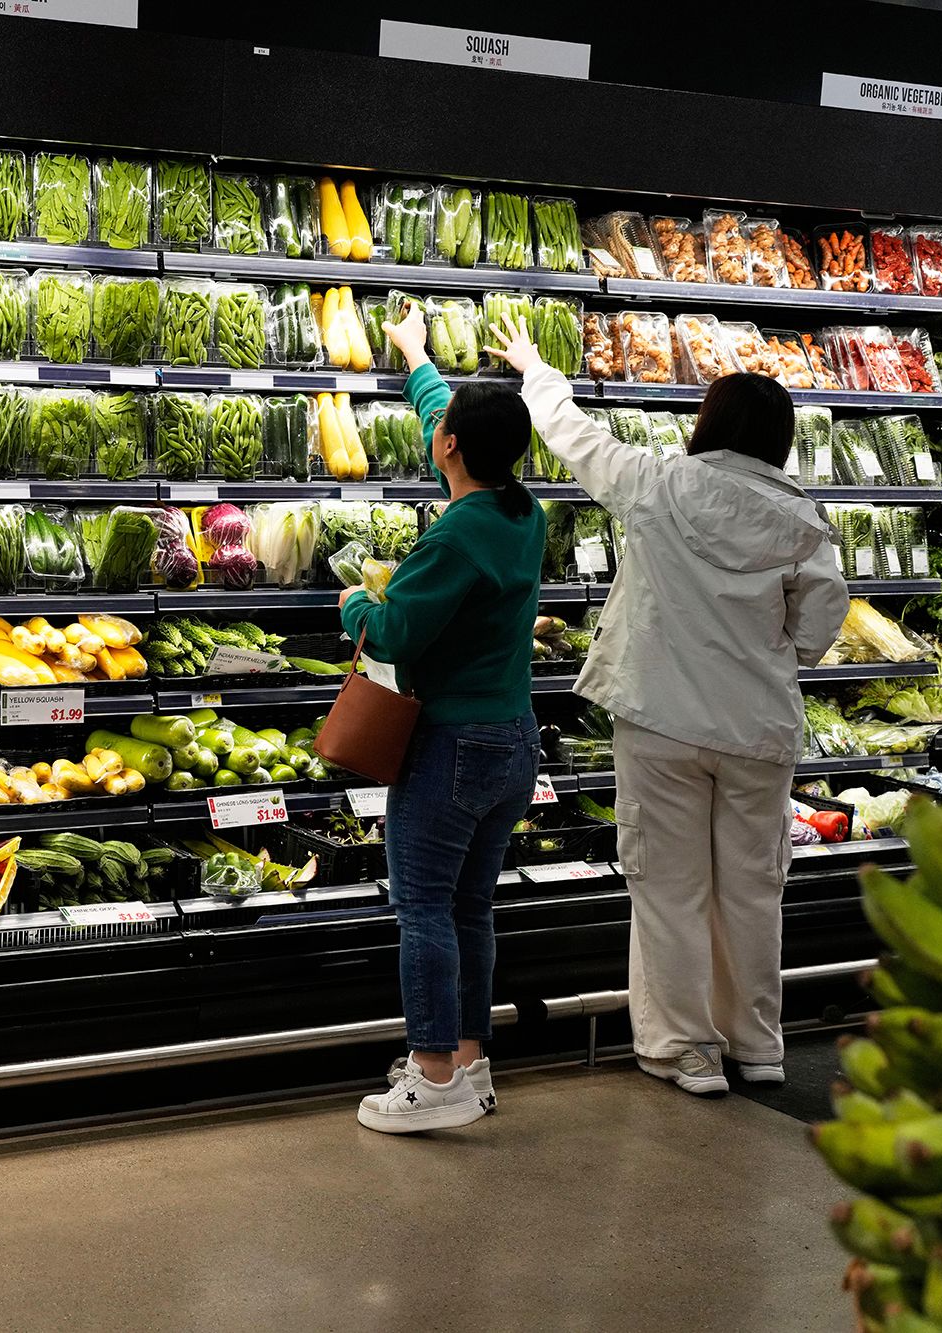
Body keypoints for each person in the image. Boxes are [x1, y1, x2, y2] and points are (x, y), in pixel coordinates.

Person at [488, 317, 849, 1097]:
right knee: (753, 890)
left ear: (707, 424)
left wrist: (533, 368)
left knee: (669, 886)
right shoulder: (803, 521)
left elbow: (575, 439)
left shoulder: (660, 483)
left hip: (661, 720)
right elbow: (818, 632)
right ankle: (758, 1045)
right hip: (758, 732)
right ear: (780, 440)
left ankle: (688, 1049)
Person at [344, 305, 547, 1135]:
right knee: (471, 908)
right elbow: (448, 427)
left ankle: (429, 1078)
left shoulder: (456, 538)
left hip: (453, 745)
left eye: (444, 431)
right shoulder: (517, 512)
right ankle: (469, 1062)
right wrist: (417, 360)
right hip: (513, 741)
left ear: (451, 450)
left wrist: (357, 597)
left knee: (423, 906)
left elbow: (392, 630)